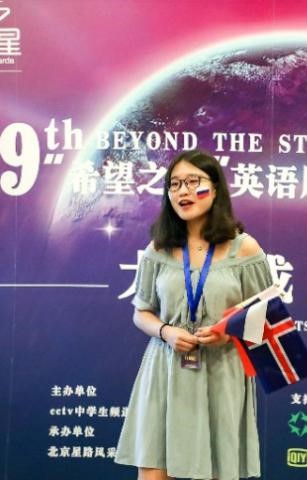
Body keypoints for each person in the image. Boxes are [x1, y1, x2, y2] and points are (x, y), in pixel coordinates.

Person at [115, 150, 273, 480]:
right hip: (165, 370)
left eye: (193, 182)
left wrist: (227, 331)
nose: (183, 191)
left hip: (222, 371)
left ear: (214, 189)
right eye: (174, 184)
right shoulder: (158, 248)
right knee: (154, 472)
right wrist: (166, 332)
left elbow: (266, 315)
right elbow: (141, 313)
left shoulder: (244, 248)